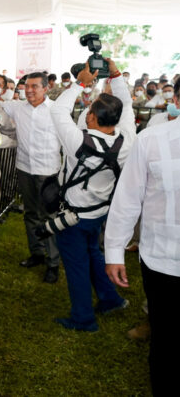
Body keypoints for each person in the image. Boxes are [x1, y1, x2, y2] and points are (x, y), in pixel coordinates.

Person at [49, 60, 134, 331]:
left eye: (89, 112)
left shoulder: (78, 142)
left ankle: (83, 318)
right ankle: (110, 299)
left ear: (94, 119)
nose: (86, 115)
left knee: (76, 265)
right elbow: (128, 105)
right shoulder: (127, 140)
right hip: (99, 211)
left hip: (74, 214)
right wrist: (117, 76)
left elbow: (59, 111)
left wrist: (80, 83)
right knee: (93, 253)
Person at [104, 105, 180, 395]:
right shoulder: (152, 139)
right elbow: (128, 199)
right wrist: (114, 251)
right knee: (166, 342)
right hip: (163, 261)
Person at [1, 72, 62, 283]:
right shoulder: (17, 107)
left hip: (48, 170)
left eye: (34, 86)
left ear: (46, 88)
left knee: (50, 217)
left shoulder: (57, 111)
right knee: (30, 213)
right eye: (26, 86)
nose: (29, 90)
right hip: (25, 168)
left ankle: (53, 263)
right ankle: (37, 253)